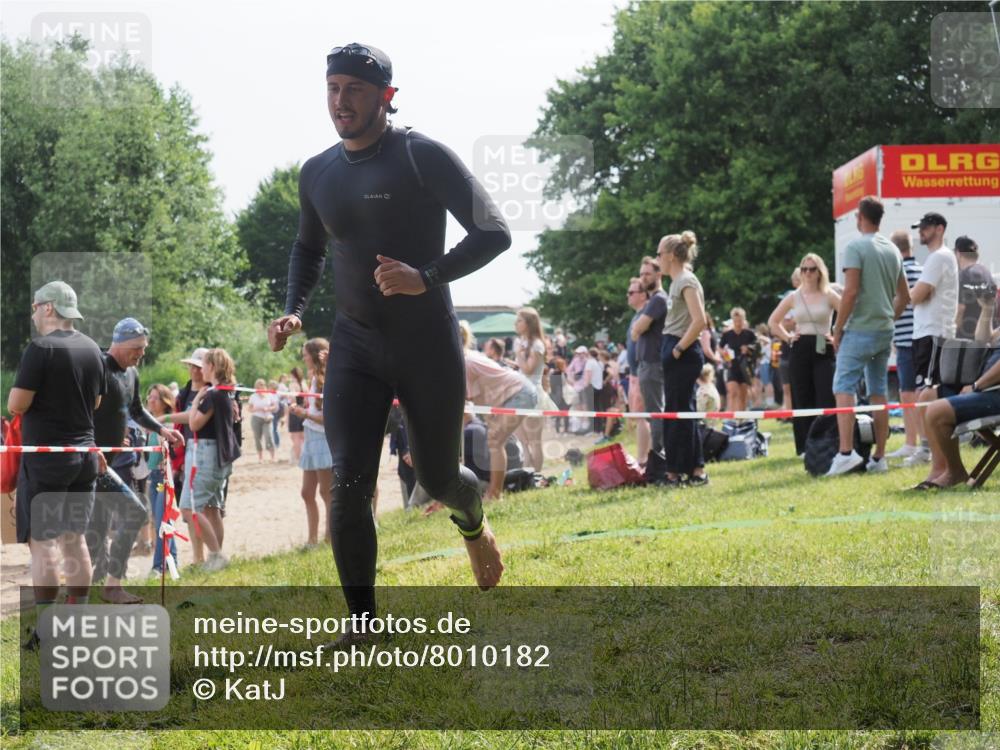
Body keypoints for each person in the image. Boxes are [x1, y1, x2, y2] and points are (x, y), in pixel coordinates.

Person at [266, 43, 510, 630]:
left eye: (353, 89)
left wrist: (425, 278)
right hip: (354, 345)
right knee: (348, 484)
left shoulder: (422, 156)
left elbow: (494, 231)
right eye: (332, 88)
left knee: (438, 477)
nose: (340, 101)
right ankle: (364, 623)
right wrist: (294, 310)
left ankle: (473, 524)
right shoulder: (317, 172)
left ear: (386, 96)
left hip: (425, 341)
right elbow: (307, 247)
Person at [9, 282, 105, 647]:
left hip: (48, 459)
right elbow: (95, 403)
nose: (33, 314)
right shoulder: (93, 348)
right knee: (74, 539)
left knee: (43, 542)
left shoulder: (41, 348)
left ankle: (47, 631)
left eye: (35, 307)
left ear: (49, 308)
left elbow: (17, 404)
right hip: (84, 457)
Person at [85, 318, 184, 604]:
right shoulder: (99, 368)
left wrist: (162, 430)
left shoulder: (132, 374)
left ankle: (111, 586)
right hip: (85, 462)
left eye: (144, 348)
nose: (141, 353)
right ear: (120, 342)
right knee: (85, 527)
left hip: (107, 465)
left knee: (133, 512)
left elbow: (137, 410)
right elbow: (80, 413)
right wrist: (92, 447)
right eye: (137, 348)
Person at [827, 196, 910, 476]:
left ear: (860, 216)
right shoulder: (893, 250)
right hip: (884, 332)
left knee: (843, 387)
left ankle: (846, 453)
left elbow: (849, 292)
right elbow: (905, 296)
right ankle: (880, 457)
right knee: (879, 393)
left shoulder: (856, 246)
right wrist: (888, 317)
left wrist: (837, 329)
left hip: (860, 330)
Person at [916, 295, 1000, 488]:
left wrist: (977, 385)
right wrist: (987, 309)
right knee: (927, 397)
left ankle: (955, 472)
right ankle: (939, 470)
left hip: (992, 392)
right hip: (988, 390)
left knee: (937, 411)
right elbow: (983, 340)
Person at [768, 254, 841, 456]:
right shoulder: (793, 296)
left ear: (820, 272)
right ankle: (804, 447)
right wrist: (788, 337)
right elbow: (773, 322)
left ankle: (828, 442)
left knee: (826, 396)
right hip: (800, 348)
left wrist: (836, 336)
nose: (807, 273)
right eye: (804, 269)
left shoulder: (829, 294)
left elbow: (847, 312)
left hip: (823, 347)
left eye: (812, 269)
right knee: (801, 397)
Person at [658, 231, 709, 485]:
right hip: (677, 347)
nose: (657, 260)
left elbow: (699, 320)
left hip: (683, 351)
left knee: (680, 413)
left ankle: (685, 471)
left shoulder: (685, 280)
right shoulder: (677, 281)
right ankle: (685, 469)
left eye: (659, 254)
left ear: (669, 256)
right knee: (679, 411)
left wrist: (677, 349)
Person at [463, 327, 538, 499]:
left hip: (519, 393)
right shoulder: (470, 358)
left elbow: (468, 398)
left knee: (495, 441)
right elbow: (478, 397)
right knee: (496, 441)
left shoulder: (465, 363)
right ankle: (495, 491)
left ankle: (495, 493)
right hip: (512, 395)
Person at [186, 348, 241, 571]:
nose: (201, 369)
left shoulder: (213, 394)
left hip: (209, 455)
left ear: (212, 367)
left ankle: (216, 555)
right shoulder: (227, 392)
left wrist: (198, 397)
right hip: (223, 457)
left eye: (204, 364)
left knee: (192, 508)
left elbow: (193, 424)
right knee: (212, 508)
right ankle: (216, 558)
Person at [288, 338, 334, 546]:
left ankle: (330, 537)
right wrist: (304, 413)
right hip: (311, 438)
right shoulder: (314, 378)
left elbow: (327, 417)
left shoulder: (327, 379)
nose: (303, 357)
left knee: (326, 492)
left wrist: (303, 413)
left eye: (305, 354)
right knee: (307, 493)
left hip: (322, 439)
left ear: (314, 355)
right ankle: (312, 539)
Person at [886, 229, 924, 461]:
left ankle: (912, 443)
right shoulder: (922, 269)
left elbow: (893, 306)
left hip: (904, 340)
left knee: (907, 394)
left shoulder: (897, 273)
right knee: (921, 392)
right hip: (922, 338)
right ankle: (922, 442)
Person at [909, 212, 957, 393]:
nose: (921, 231)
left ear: (940, 229)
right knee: (924, 391)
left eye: (926, 227)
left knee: (926, 392)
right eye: (920, 228)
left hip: (933, 333)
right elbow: (918, 295)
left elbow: (916, 296)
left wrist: (916, 293)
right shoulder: (938, 257)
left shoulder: (939, 256)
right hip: (930, 333)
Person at [631, 256, 668, 458]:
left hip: (653, 364)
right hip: (647, 365)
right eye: (642, 274)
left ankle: (658, 456)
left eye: (647, 273)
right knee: (653, 412)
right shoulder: (653, 301)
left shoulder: (658, 299)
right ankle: (658, 455)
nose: (643, 277)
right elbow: (635, 331)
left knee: (656, 413)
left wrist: (638, 329)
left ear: (658, 274)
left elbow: (637, 330)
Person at [145, 384, 179, 578]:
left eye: (155, 397)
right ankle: (172, 563)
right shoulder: (150, 426)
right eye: (149, 397)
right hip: (154, 477)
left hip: (167, 478)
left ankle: (158, 567)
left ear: (165, 402)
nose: (150, 400)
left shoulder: (168, 427)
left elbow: (171, 456)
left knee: (162, 524)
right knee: (162, 523)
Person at [512, 306, 547, 472]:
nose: (516, 324)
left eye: (519, 320)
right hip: (520, 394)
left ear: (528, 323)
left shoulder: (537, 344)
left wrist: (518, 354)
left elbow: (528, 369)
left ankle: (537, 475)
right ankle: (527, 473)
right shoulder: (522, 343)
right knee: (523, 440)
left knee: (534, 441)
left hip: (534, 395)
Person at [626, 277, 651, 461]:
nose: (628, 295)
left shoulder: (646, 314)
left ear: (643, 295)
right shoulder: (636, 315)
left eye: (632, 292)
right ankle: (642, 456)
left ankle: (643, 459)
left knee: (643, 417)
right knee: (639, 417)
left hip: (643, 371)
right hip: (635, 373)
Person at [720, 308, 757, 414]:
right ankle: (731, 417)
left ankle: (741, 418)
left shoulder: (749, 334)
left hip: (745, 366)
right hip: (732, 365)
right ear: (732, 320)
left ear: (744, 320)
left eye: (740, 321)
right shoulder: (728, 334)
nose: (738, 323)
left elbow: (756, 346)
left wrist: (748, 348)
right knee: (732, 392)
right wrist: (724, 355)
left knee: (743, 394)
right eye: (735, 321)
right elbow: (720, 347)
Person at [955, 236, 991, 341]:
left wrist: (950, 333)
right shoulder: (987, 273)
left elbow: (960, 308)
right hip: (986, 335)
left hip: (966, 339)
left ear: (958, 253)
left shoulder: (963, 275)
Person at [248, 378, 277, 462]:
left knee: (269, 436)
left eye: (262, 385)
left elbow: (275, 406)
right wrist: (256, 409)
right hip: (256, 418)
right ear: (256, 387)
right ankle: (260, 458)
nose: (261, 387)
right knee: (257, 438)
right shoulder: (253, 396)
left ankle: (273, 457)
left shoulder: (269, 395)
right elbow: (249, 409)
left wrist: (268, 408)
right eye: (259, 385)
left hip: (267, 418)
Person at [287, 366, 307, 464]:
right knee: (303, 436)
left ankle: (299, 459)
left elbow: (292, 399)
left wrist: (291, 408)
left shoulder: (292, 384)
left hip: (295, 411)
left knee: (295, 437)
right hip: (303, 410)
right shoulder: (304, 383)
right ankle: (302, 457)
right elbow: (307, 399)